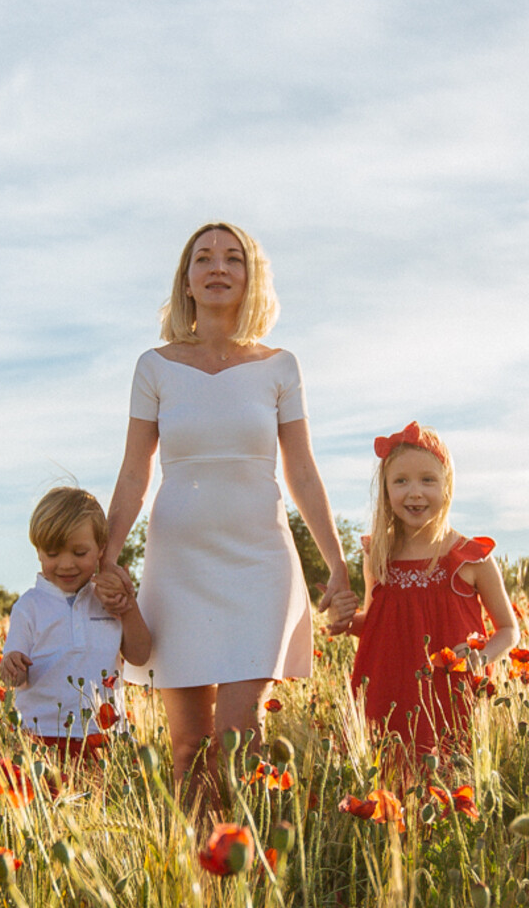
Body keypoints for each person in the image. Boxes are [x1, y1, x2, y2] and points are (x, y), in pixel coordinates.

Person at [97, 222, 355, 794]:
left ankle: (243, 871)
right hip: (178, 569)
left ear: (251, 276)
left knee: (241, 740)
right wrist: (107, 560)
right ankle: (199, 879)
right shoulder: (155, 366)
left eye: (233, 258)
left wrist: (336, 565)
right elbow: (135, 471)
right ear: (186, 280)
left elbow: (304, 472)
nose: (218, 267)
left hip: (260, 565)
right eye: (204, 258)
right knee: (189, 748)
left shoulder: (280, 366)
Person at [343, 423, 520, 760]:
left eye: (427, 480)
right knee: (390, 786)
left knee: (452, 786)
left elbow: (509, 630)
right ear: (384, 490)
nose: (415, 492)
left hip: (448, 694)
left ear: (447, 486)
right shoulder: (377, 556)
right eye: (400, 481)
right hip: (388, 690)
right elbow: (374, 625)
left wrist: (480, 659)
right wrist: (346, 622)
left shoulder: (470, 558)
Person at [0, 485, 151, 761]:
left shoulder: (110, 599)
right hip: (41, 734)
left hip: (103, 734)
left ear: (101, 549)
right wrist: (12, 665)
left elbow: (140, 656)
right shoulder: (29, 606)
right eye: (53, 554)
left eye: (79, 553)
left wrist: (128, 607)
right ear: (38, 553)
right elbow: (13, 677)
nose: (66, 564)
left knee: (104, 804)